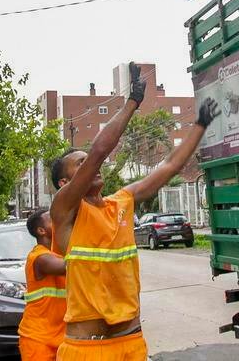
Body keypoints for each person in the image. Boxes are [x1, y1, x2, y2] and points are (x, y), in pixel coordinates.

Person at [49, 62, 220, 360]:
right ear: (65, 183)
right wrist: (132, 102)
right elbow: (101, 150)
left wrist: (200, 126)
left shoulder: (122, 202)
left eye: (88, 160)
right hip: (87, 350)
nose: (92, 163)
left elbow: (168, 166)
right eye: (81, 163)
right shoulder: (65, 211)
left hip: (131, 344)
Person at [18, 209, 66, 361]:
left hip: (62, 337)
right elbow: (70, 266)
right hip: (38, 339)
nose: (58, 221)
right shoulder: (39, 257)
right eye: (52, 220)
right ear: (41, 230)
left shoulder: (59, 253)